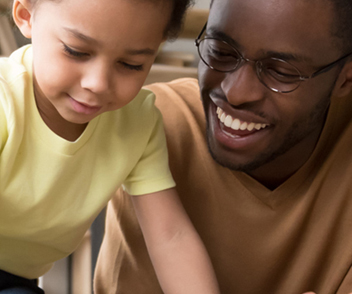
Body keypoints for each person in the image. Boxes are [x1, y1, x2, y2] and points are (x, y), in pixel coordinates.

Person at [94, 0, 352, 293]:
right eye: (220, 53)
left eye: (281, 72)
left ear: (346, 78)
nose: (236, 92)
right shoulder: (148, 125)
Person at [0, 0, 222, 293]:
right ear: (26, 15)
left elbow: (171, 237)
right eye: (77, 51)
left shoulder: (138, 124)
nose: (98, 83)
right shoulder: (5, 99)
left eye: (131, 65)